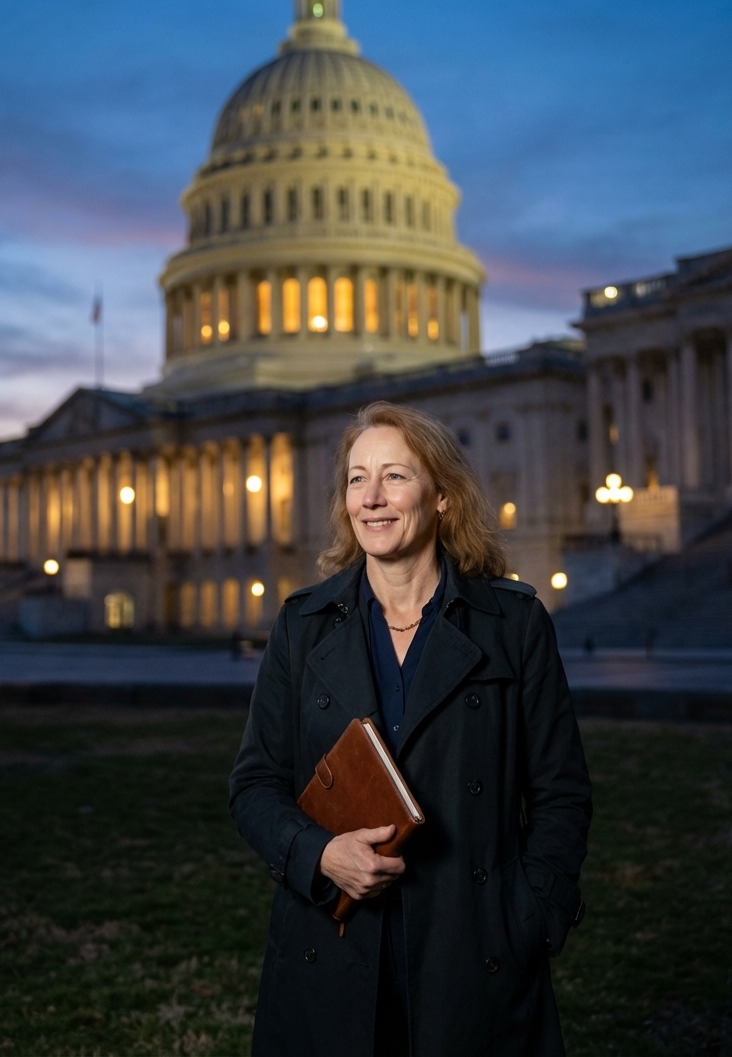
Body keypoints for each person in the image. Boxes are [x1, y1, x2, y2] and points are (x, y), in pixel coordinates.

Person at [229, 401, 592, 1057]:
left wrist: (529, 917)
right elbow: (254, 784)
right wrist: (317, 855)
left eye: (394, 476)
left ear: (443, 496)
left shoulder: (512, 625)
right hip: (331, 941)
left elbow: (560, 791)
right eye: (356, 479)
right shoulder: (303, 625)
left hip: (472, 947)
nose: (371, 498)